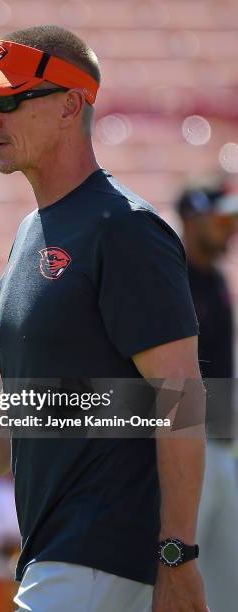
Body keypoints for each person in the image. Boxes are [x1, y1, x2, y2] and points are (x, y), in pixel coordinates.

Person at [0, 26, 208, 611]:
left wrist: (176, 558)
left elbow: (181, 399)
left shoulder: (124, 230)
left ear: (71, 105)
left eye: (7, 99)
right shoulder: (31, 233)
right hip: (61, 556)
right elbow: (24, 411)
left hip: (105, 561)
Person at [176, 179, 238, 612]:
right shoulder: (168, 278)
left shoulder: (215, 281)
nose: (231, 230)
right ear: (193, 218)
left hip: (220, 445)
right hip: (182, 447)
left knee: (224, 586)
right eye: (222, 220)